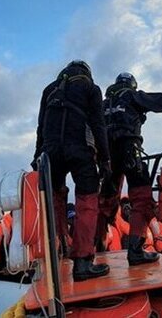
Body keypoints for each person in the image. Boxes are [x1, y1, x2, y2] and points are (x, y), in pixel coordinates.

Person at [100, 72, 162, 266]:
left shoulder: (103, 105)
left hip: (107, 157)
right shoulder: (132, 95)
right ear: (131, 85)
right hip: (129, 151)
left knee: (106, 201)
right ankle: (136, 250)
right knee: (142, 200)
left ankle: (95, 247)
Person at [32, 60, 111, 281]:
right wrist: (105, 159)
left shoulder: (50, 89)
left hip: (50, 152)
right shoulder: (91, 89)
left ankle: (60, 250)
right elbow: (98, 124)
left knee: (55, 200)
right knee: (87, 203)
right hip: (79, 149)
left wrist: (37, 155)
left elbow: (41, 126)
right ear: (87, 73)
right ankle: (83, 263)